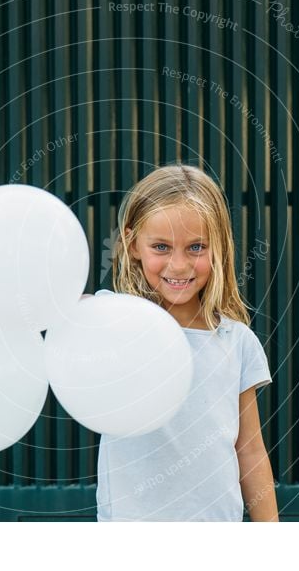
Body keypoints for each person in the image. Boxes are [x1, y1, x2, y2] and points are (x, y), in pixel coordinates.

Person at [89, 164, 278, 521]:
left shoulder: (237, 342)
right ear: (132, 245)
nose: (178, 265)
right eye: (161, 246)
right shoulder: (115, 320)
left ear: (218, 247)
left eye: (196, 247)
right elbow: (67, 313)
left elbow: (250, 450)